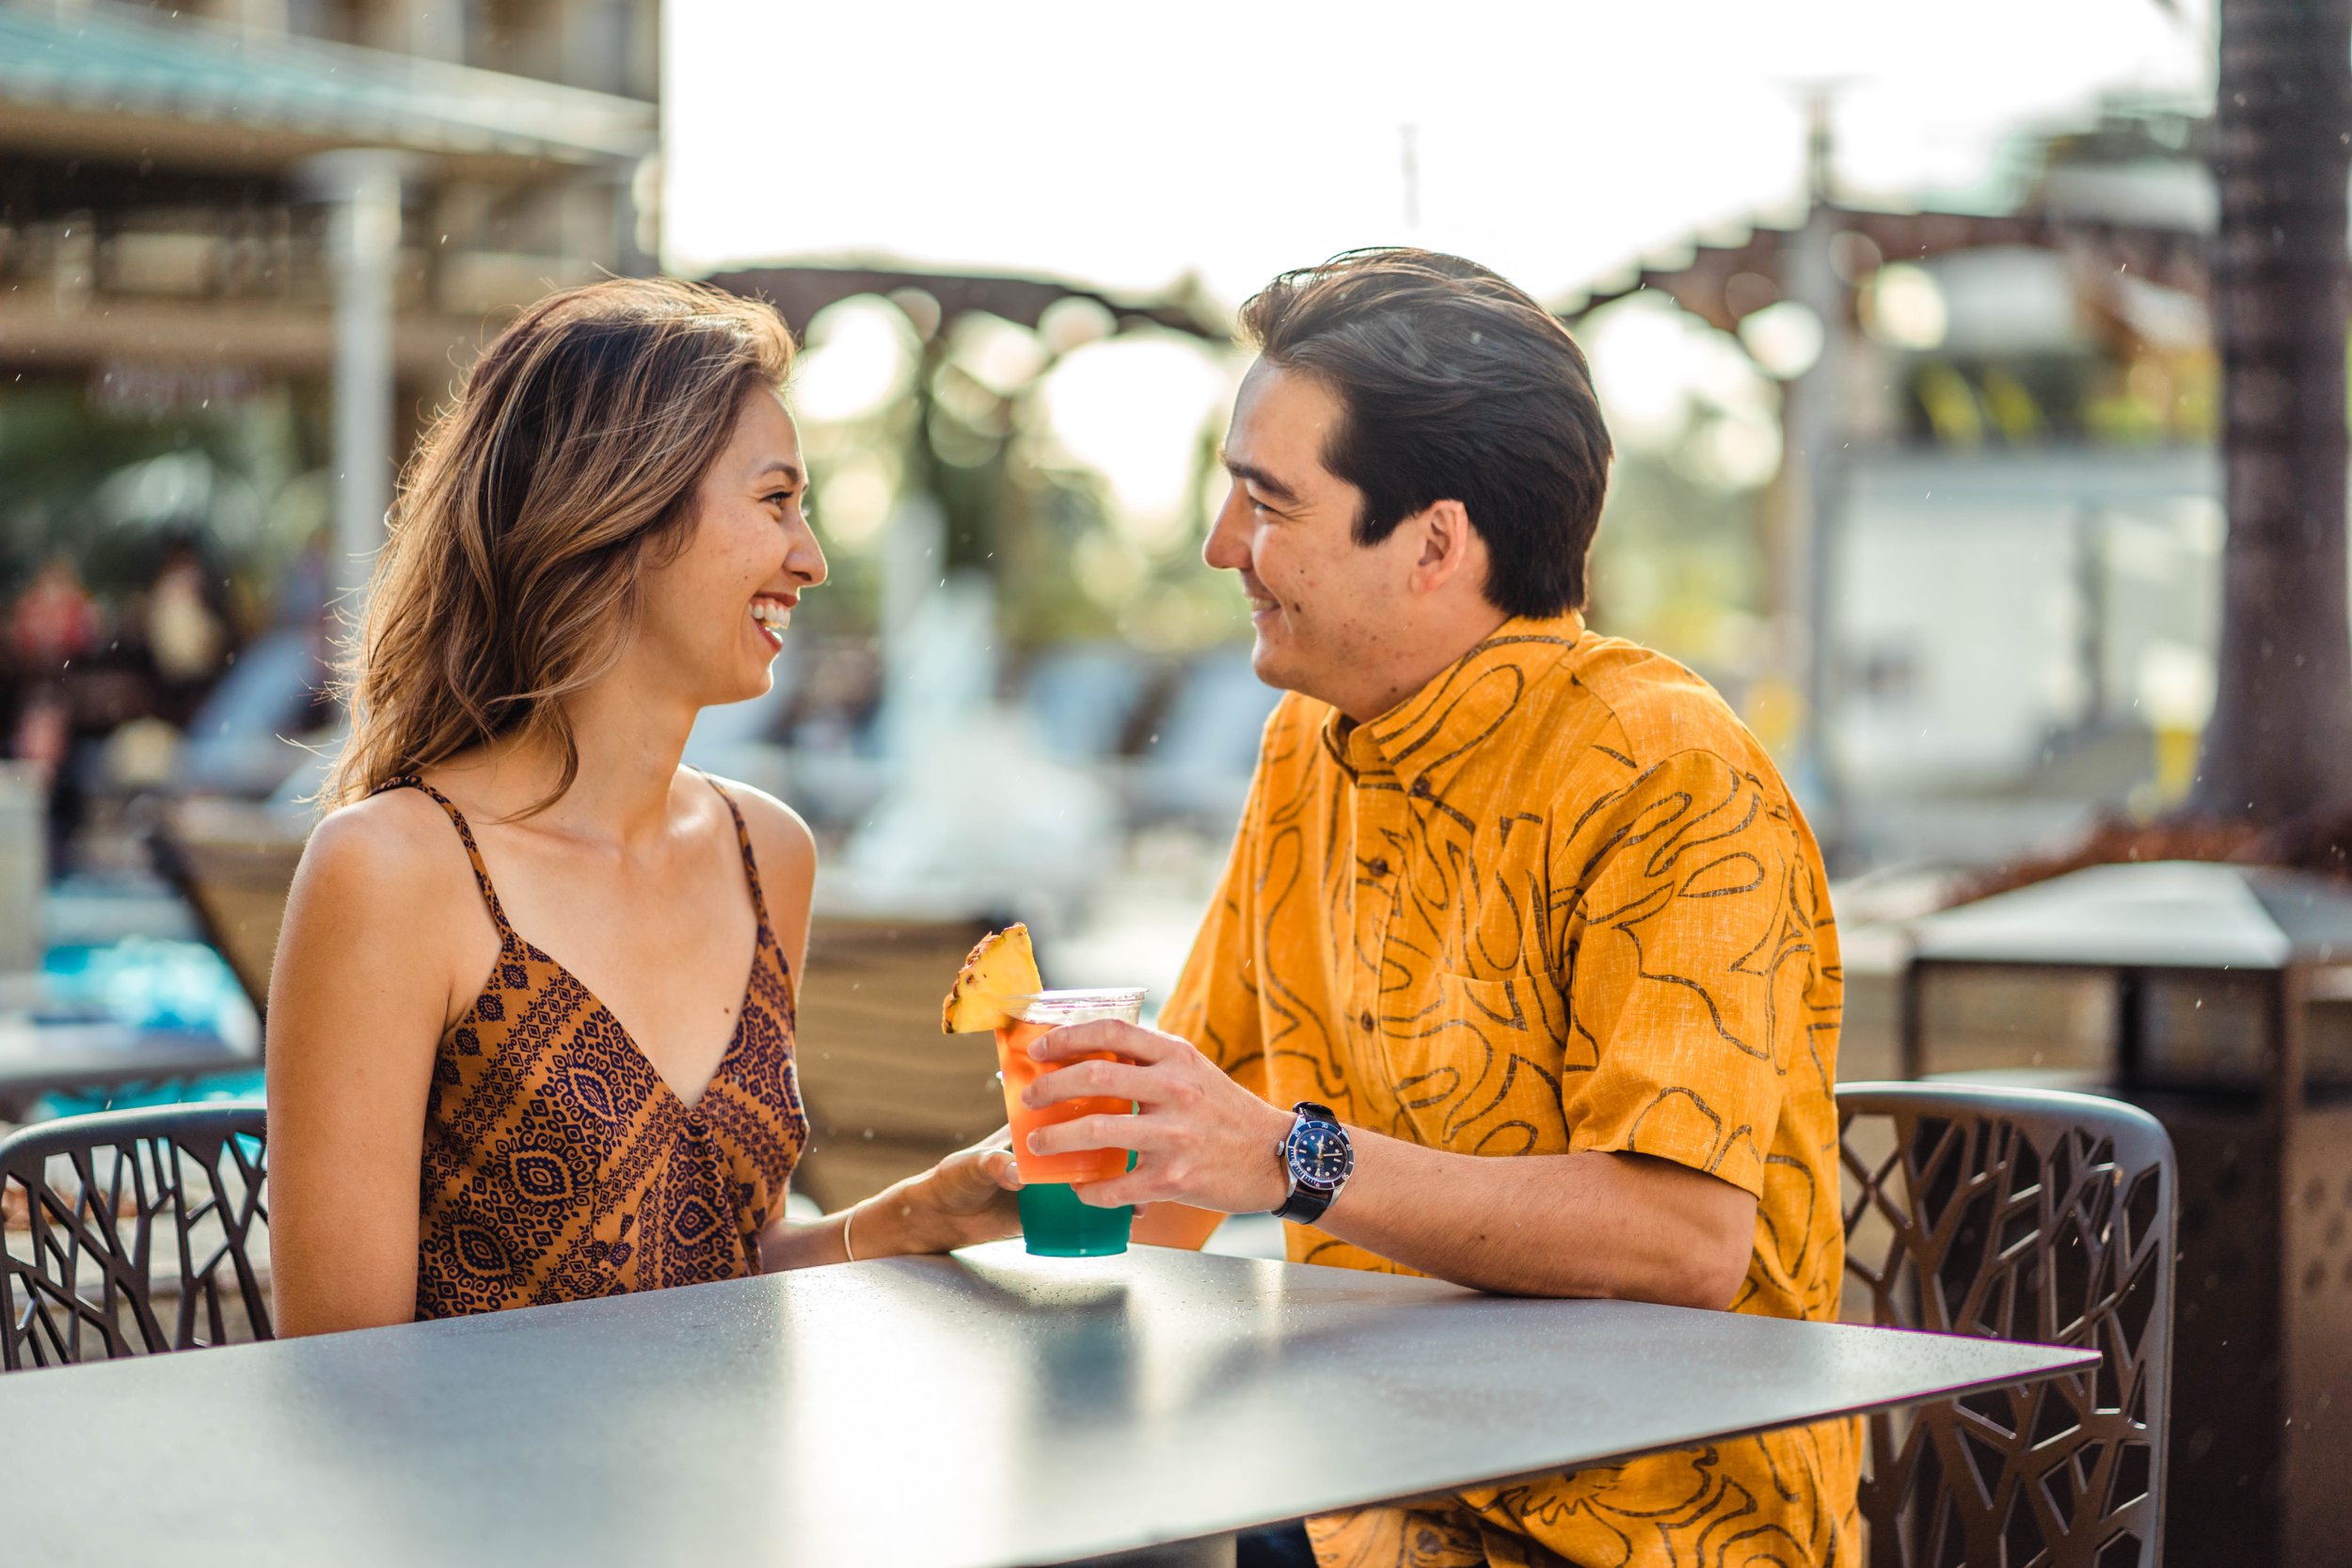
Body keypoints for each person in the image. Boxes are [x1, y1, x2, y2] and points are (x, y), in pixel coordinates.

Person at [1025, 250, 1856, 1568]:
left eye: (1267, 502)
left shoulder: (1670, 771)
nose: (1219, 546)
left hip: (1636, 1524)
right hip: (1361, 1470)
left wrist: (1296, 1160)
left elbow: (1686, 1239)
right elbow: (1184, 1140)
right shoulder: (1308, 746)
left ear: (1434, 544)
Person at [266, 278, 1021, 1336]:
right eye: (774, 501)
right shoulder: (395, 870)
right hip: (477, 1492)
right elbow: (343, 1364)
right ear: (621, 509)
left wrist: (908, 1215)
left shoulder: (768, 853)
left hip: (730, 1484)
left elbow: (713, 1266)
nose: (810, 557)